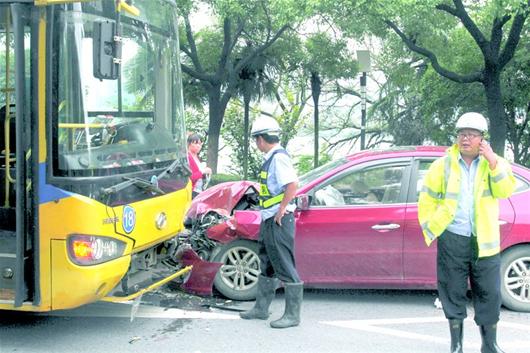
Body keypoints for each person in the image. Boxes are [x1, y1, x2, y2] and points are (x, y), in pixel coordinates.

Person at [418, 112, 516, 353]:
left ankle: (489, 344)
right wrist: (432, 227)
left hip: (485, 240)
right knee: (452, 291)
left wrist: (493, 162)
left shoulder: (495, 163)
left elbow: (505, 191)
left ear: (482, 139)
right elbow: (427, 199)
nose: (465, 139)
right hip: (452, 237)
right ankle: (457, 346)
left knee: (489, 293)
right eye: (462, 134)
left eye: (472, 135)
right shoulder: (442, 165)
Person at [239, 116, 303, 329]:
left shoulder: (278, 158)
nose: (256, 143)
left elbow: (292, 184)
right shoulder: (272, 157)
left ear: (260, 139)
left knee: (284, 264)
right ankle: (261, 309)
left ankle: (293, 316)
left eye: (256, 139)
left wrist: (283, 208)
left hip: (279, 219)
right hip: (269, 218)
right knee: (267, 262)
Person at [187, 133, 211, 198]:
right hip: (191, 191)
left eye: (200, 144)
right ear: (189, 144)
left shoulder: (196, 158)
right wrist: (203, 171)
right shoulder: (188, 157)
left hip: (198, 191)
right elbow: (190, 177)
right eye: (195, 143)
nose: (198, 146)